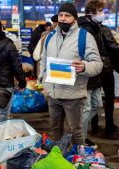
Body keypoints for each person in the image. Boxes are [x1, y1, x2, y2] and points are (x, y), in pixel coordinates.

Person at [39, 3, 103, 145]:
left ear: (74, 18)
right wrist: (42, 78)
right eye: (61, 15)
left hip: (73, 94)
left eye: (67, 15)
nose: (63, 18)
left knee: (76, 131)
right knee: (55, 130)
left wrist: (85, 66)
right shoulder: (50, 37)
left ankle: (77, 161)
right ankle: (58, 158)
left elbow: (98, 64)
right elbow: (43, 59)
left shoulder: (84, 37)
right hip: (53, 93)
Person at [78, 0, 119, 140]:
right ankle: (108, 125)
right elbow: (113, 46)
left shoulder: (85, 28)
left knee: (94, 99)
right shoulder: (101, 29)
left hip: (91, 68)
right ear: (92, 12)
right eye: (100, 11)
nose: (102, 14)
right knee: (107, 97)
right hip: (104, 67)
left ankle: (94, 126)